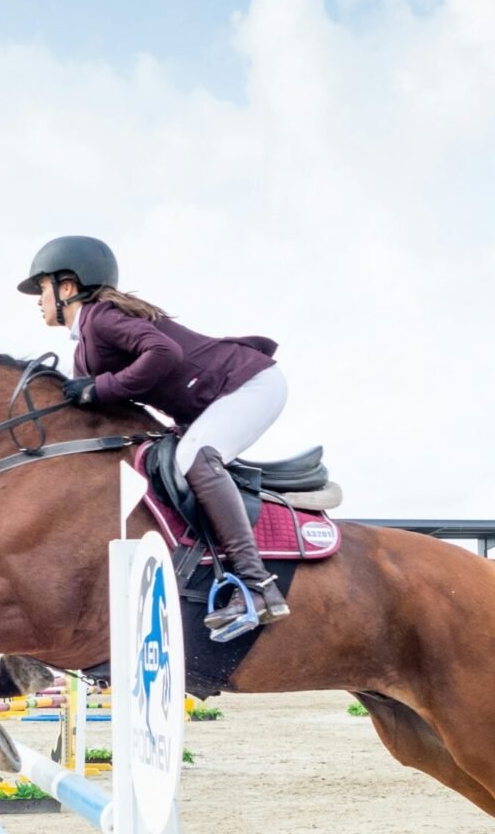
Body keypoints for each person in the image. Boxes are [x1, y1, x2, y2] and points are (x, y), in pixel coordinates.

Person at [19, 235, 291, 639]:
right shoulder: (85, 348)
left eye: (41, 288)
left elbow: (165, 354)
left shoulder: (101, 317)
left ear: (68, 288)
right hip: (221, 397)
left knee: (195, 459)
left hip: (250, 384)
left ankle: (257, 587)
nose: (37, 300)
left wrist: (102, 387)